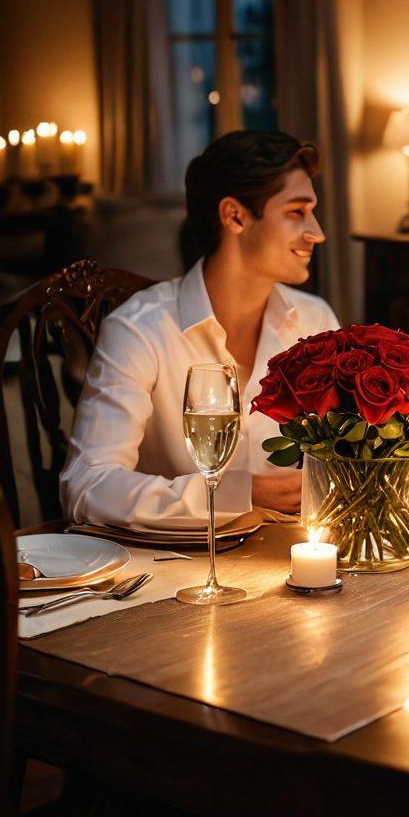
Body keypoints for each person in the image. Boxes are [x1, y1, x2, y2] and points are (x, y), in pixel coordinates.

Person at [61, 130, 339, 526]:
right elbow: (87, 486)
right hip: (176, 560)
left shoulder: (315, 321)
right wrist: (237, 494)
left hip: (291, 549)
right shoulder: (139, 330)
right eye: (297, 212)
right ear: (235, 216)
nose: (317, 232)